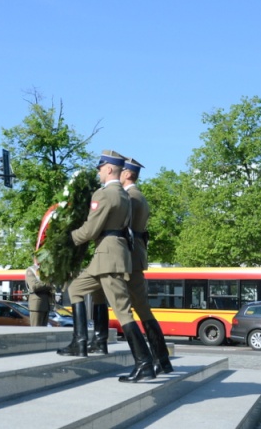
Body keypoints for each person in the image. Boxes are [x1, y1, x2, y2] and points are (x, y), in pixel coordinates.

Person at [57, 150, 156, 383]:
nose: (99, 172)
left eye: (101, 168)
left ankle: (144, 363)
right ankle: (79, 342)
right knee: (76, 289)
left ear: (109, 168)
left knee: (122, 311)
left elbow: (90, 230)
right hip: (111, 254)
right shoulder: (122, 194)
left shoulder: (104, 194)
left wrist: (65, 238)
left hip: (108, 256)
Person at [117, 157, 173, 373]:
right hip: (136, 256)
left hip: (129, 257)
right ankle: (162, 359)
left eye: (121, 172)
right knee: (143, 309)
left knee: (138, 308)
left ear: (127, 174)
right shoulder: (138, 195)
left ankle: (150, 360)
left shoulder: (130, 197)